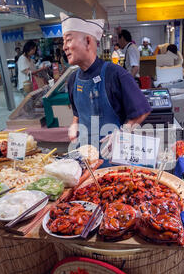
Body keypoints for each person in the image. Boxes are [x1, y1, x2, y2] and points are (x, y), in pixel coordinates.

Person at [61, 12, 151, 167]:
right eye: (63, 42)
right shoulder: (72, 80)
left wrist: (122, 133)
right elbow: (77, 112)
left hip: (114, 160)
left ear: (88, 41)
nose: (64, 47)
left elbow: (142, 110)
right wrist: (74, 124)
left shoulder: (115, 74)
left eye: (68, 40)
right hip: (86, 160)